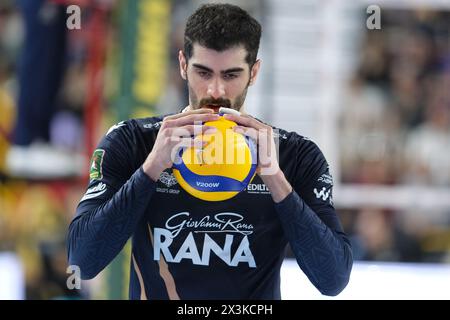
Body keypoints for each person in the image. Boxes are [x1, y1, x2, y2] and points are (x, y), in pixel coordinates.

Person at [67, 3, 353, 299]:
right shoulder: (133, 141)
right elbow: (83, 262)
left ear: (254, 72)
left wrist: (275, 179)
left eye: (231, 75)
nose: (216, 91)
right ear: (182, 65)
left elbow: (333, 281)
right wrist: (151, 168)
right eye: (203, 72)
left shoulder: (296, 155)